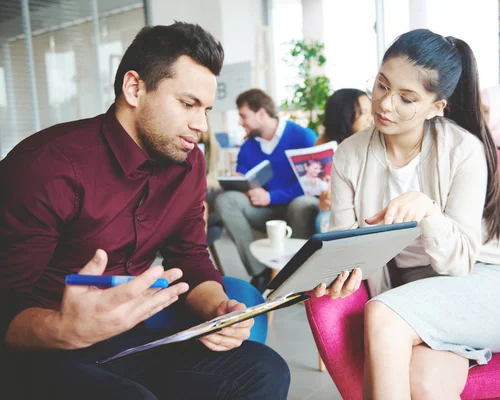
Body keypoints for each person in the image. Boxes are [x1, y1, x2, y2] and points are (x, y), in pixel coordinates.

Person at [0, 23, 289, 400]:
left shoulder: (189, 162)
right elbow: (7, 301)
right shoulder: (48, 166)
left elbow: (189, 255)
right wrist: (65, 328)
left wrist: (217, 308)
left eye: (205, 109)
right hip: (41, 350)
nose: (200, 126)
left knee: (264, 370)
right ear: (135, 88)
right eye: (187, 104)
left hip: (127, 338)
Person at [314, 29, 500, 399]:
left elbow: (460, 263)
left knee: (384, 315)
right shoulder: (349, 155)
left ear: (437, 107)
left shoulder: (463, 150)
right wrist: (335, 272)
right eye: (382, 85)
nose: (385, 105)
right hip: (423, 293)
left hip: (495, 281)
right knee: (424, 379)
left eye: (406, 98)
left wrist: (428, 210)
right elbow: (345, 243)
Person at [215, 89, 319, 292]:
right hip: (263, 210)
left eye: (244, 116)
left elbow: (312, 183)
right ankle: (259, 271)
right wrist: (239, 182)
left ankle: (295, 272)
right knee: (226, 200)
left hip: (295, 206)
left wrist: (271, 196)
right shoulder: (248, 145)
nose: (240, 122)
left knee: (303, 204)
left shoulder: (303, 137)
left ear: (262, 113)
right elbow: (245, 175)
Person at [314, 89, 373, 232]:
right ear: (345, 115)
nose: (371, 118)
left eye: (371, 111)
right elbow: (320, 188)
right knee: (322, 220)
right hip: (335, 207)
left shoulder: (372, 142)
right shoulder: (323, 145)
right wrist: (324, 198)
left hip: (364, 204)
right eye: (364, 112)